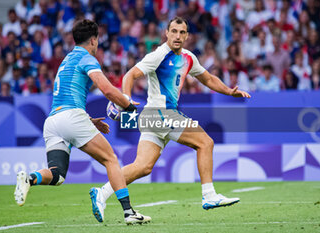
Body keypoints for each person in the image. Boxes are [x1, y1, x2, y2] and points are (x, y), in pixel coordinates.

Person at [91, 17, 251, 218]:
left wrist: (229, 91)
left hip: (154, 117)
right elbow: (130, 75)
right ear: (166, 33)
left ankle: (101, 193)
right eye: (173, 31)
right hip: (160, 113)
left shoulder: (188, 57)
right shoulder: (159, 55)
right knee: (205, 142)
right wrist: (126, 100)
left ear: (187, 36)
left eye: (181, 32)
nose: (177, 36)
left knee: (143, 167)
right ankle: (209, 195)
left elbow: (207, 78)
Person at [14, 19, 151, 225]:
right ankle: (128, 212)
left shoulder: (66, 60)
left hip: (53, 121)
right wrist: (128, 104)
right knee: (111, 160)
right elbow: (106, 89)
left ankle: (29, 179)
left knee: (57, 175)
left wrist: (89, 121)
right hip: (71, 118)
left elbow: (67, 97)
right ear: (94, 40)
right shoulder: (87, 58)